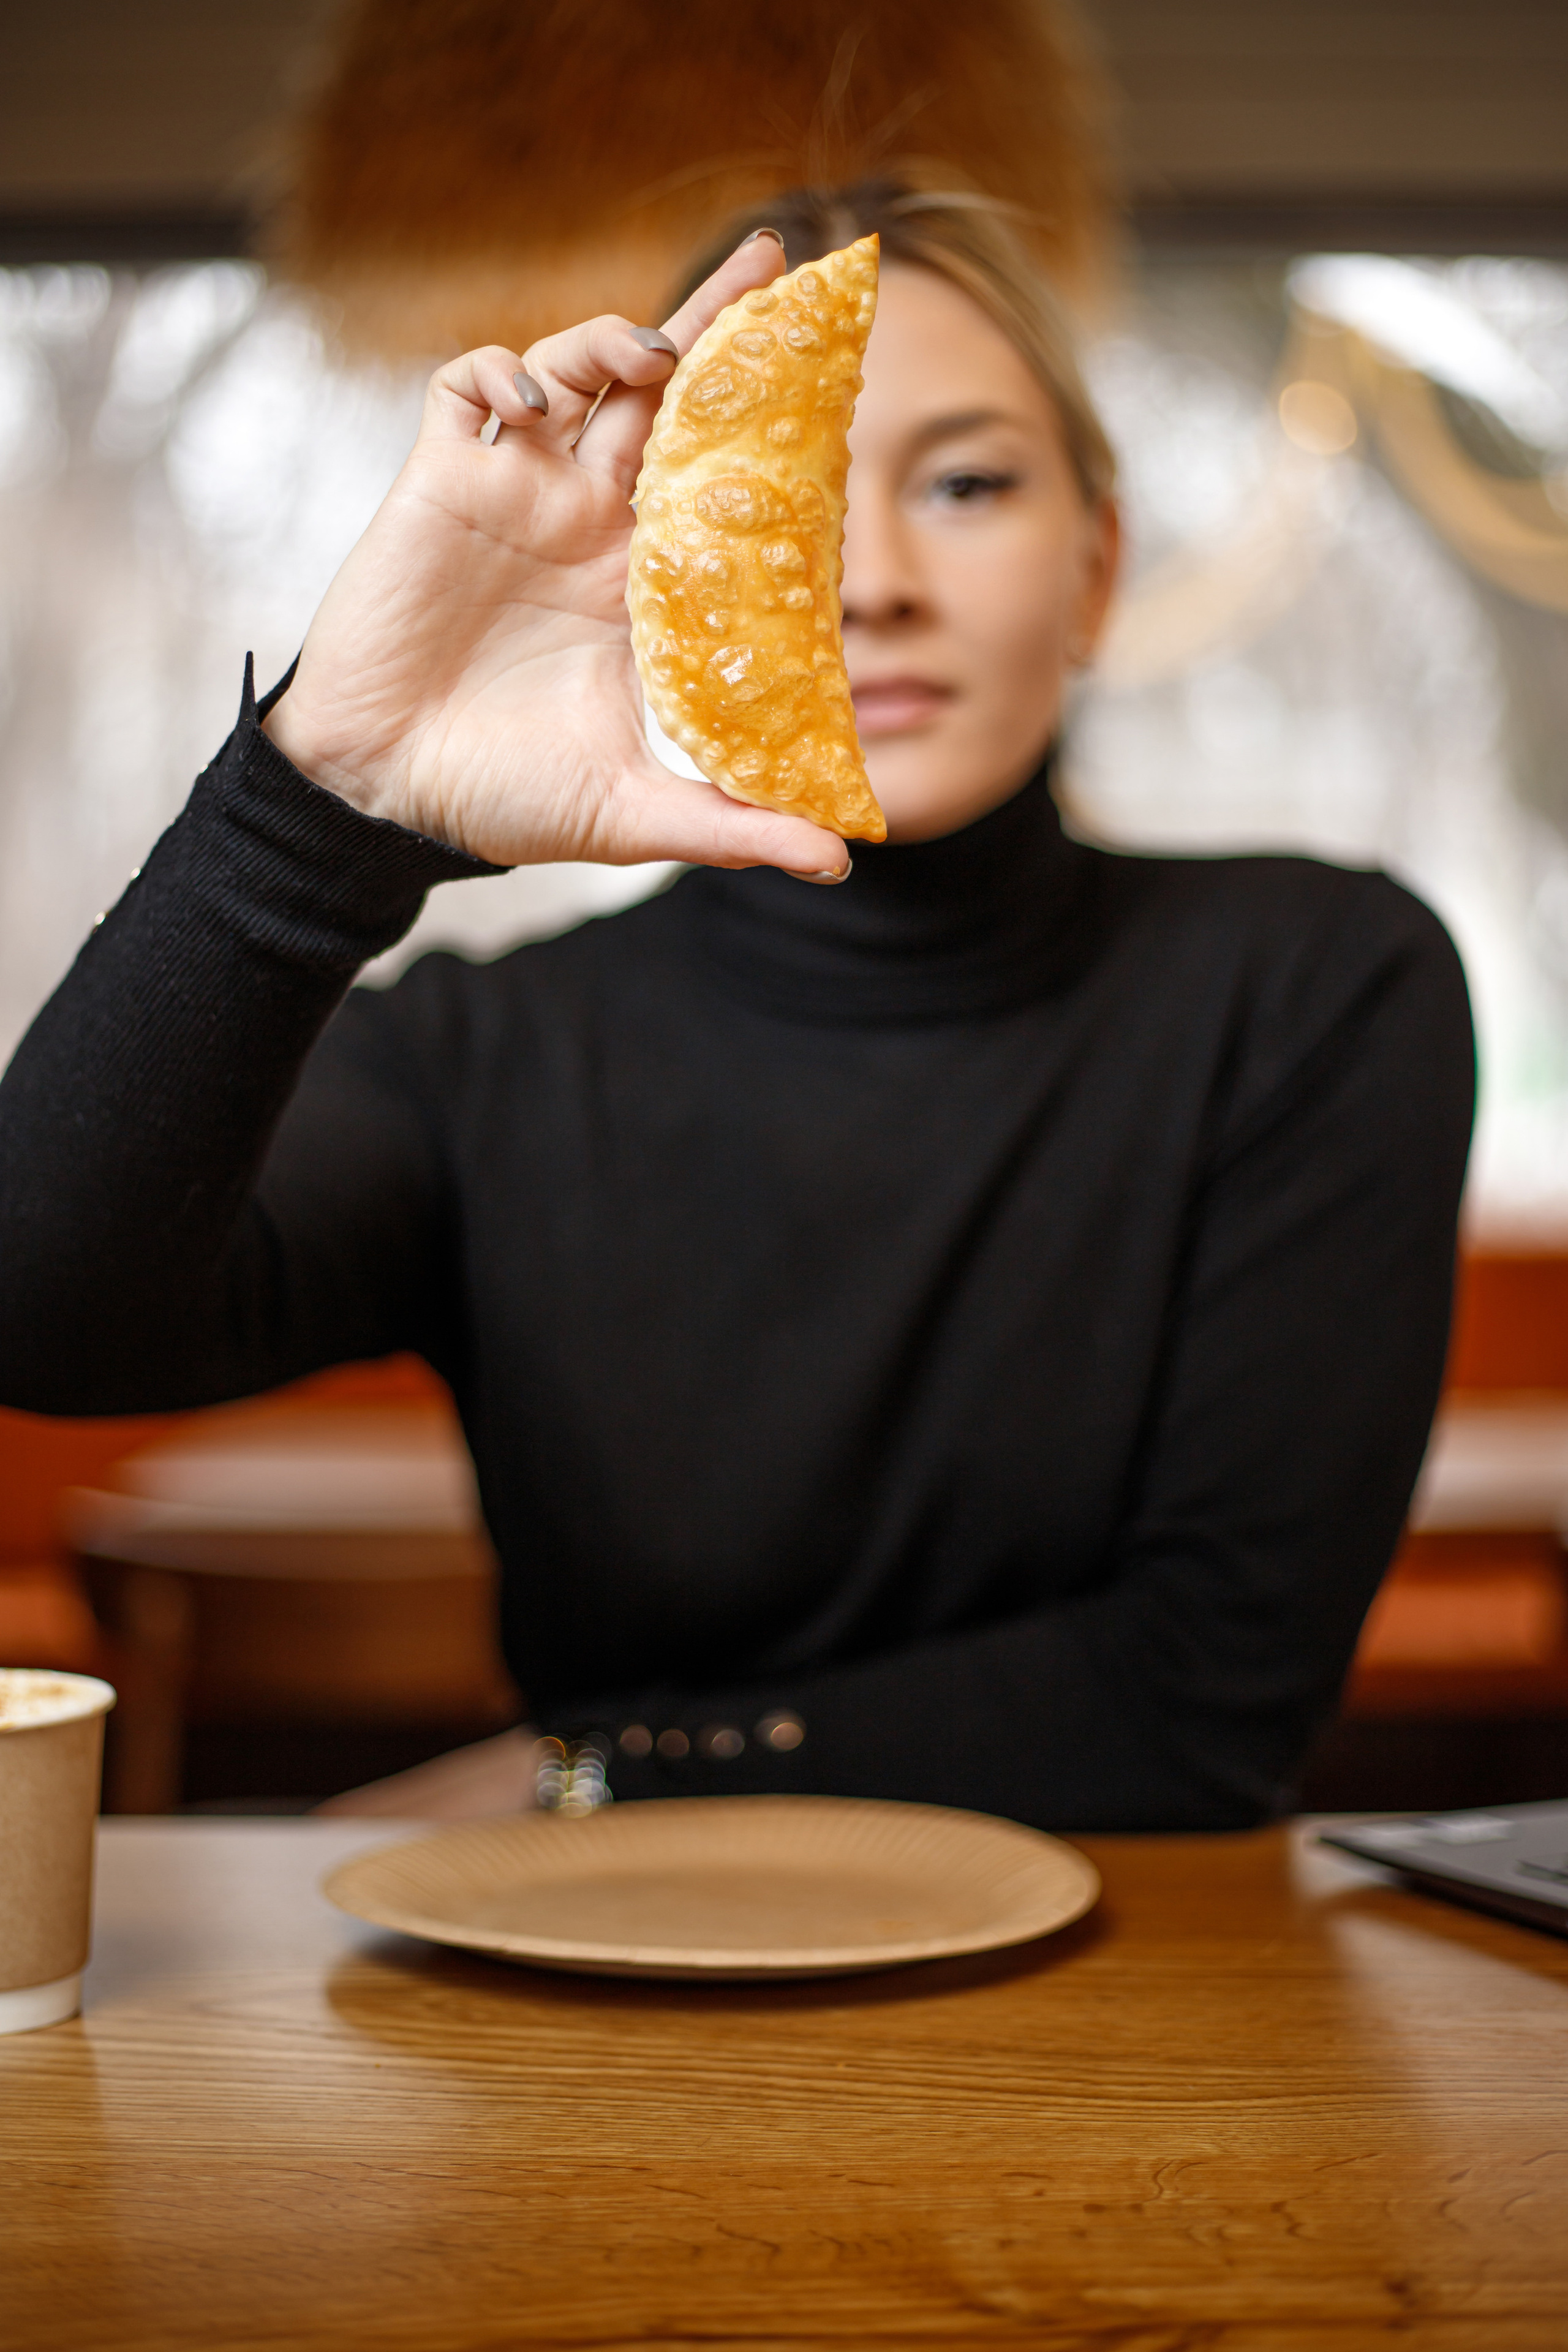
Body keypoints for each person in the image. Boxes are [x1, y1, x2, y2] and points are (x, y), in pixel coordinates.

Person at [0, 181, 1473, 1830]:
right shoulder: (497, 1054)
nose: (875, 580)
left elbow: (1209, 1700)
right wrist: (329, 788)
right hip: (618, 1986)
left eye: (969, 482)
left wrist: (606, 1772)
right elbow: (45, 1313)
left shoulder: (1316, 988)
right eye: (788, 498)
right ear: (660, 571)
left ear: (1097, 572)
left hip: (1144, 1988)